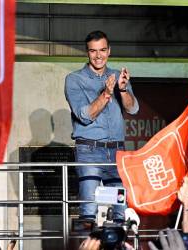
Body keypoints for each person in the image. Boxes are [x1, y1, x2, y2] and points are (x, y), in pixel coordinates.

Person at [65, 30, 139, 223]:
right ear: (87, 53)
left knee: (120, 210)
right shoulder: (74, 79)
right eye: (93, 51)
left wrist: (122, 89)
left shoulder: (118, 75)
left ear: (109, 51)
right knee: (89, 211)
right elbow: (85, 115)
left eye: (102, 50)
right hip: (89, 151)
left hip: (116, 153)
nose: (98, 56)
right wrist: (107, 93)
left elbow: (132, 108)